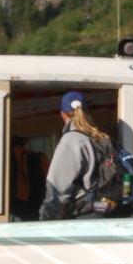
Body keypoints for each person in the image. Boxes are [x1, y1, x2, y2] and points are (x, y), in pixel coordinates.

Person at [39, 91, 108, 220]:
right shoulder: (101, 138)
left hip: (85, 216)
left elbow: (57, 189)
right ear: (87, 111)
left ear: (63, 115)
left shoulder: (71, 140)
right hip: (106, 213)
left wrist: (45, 219)